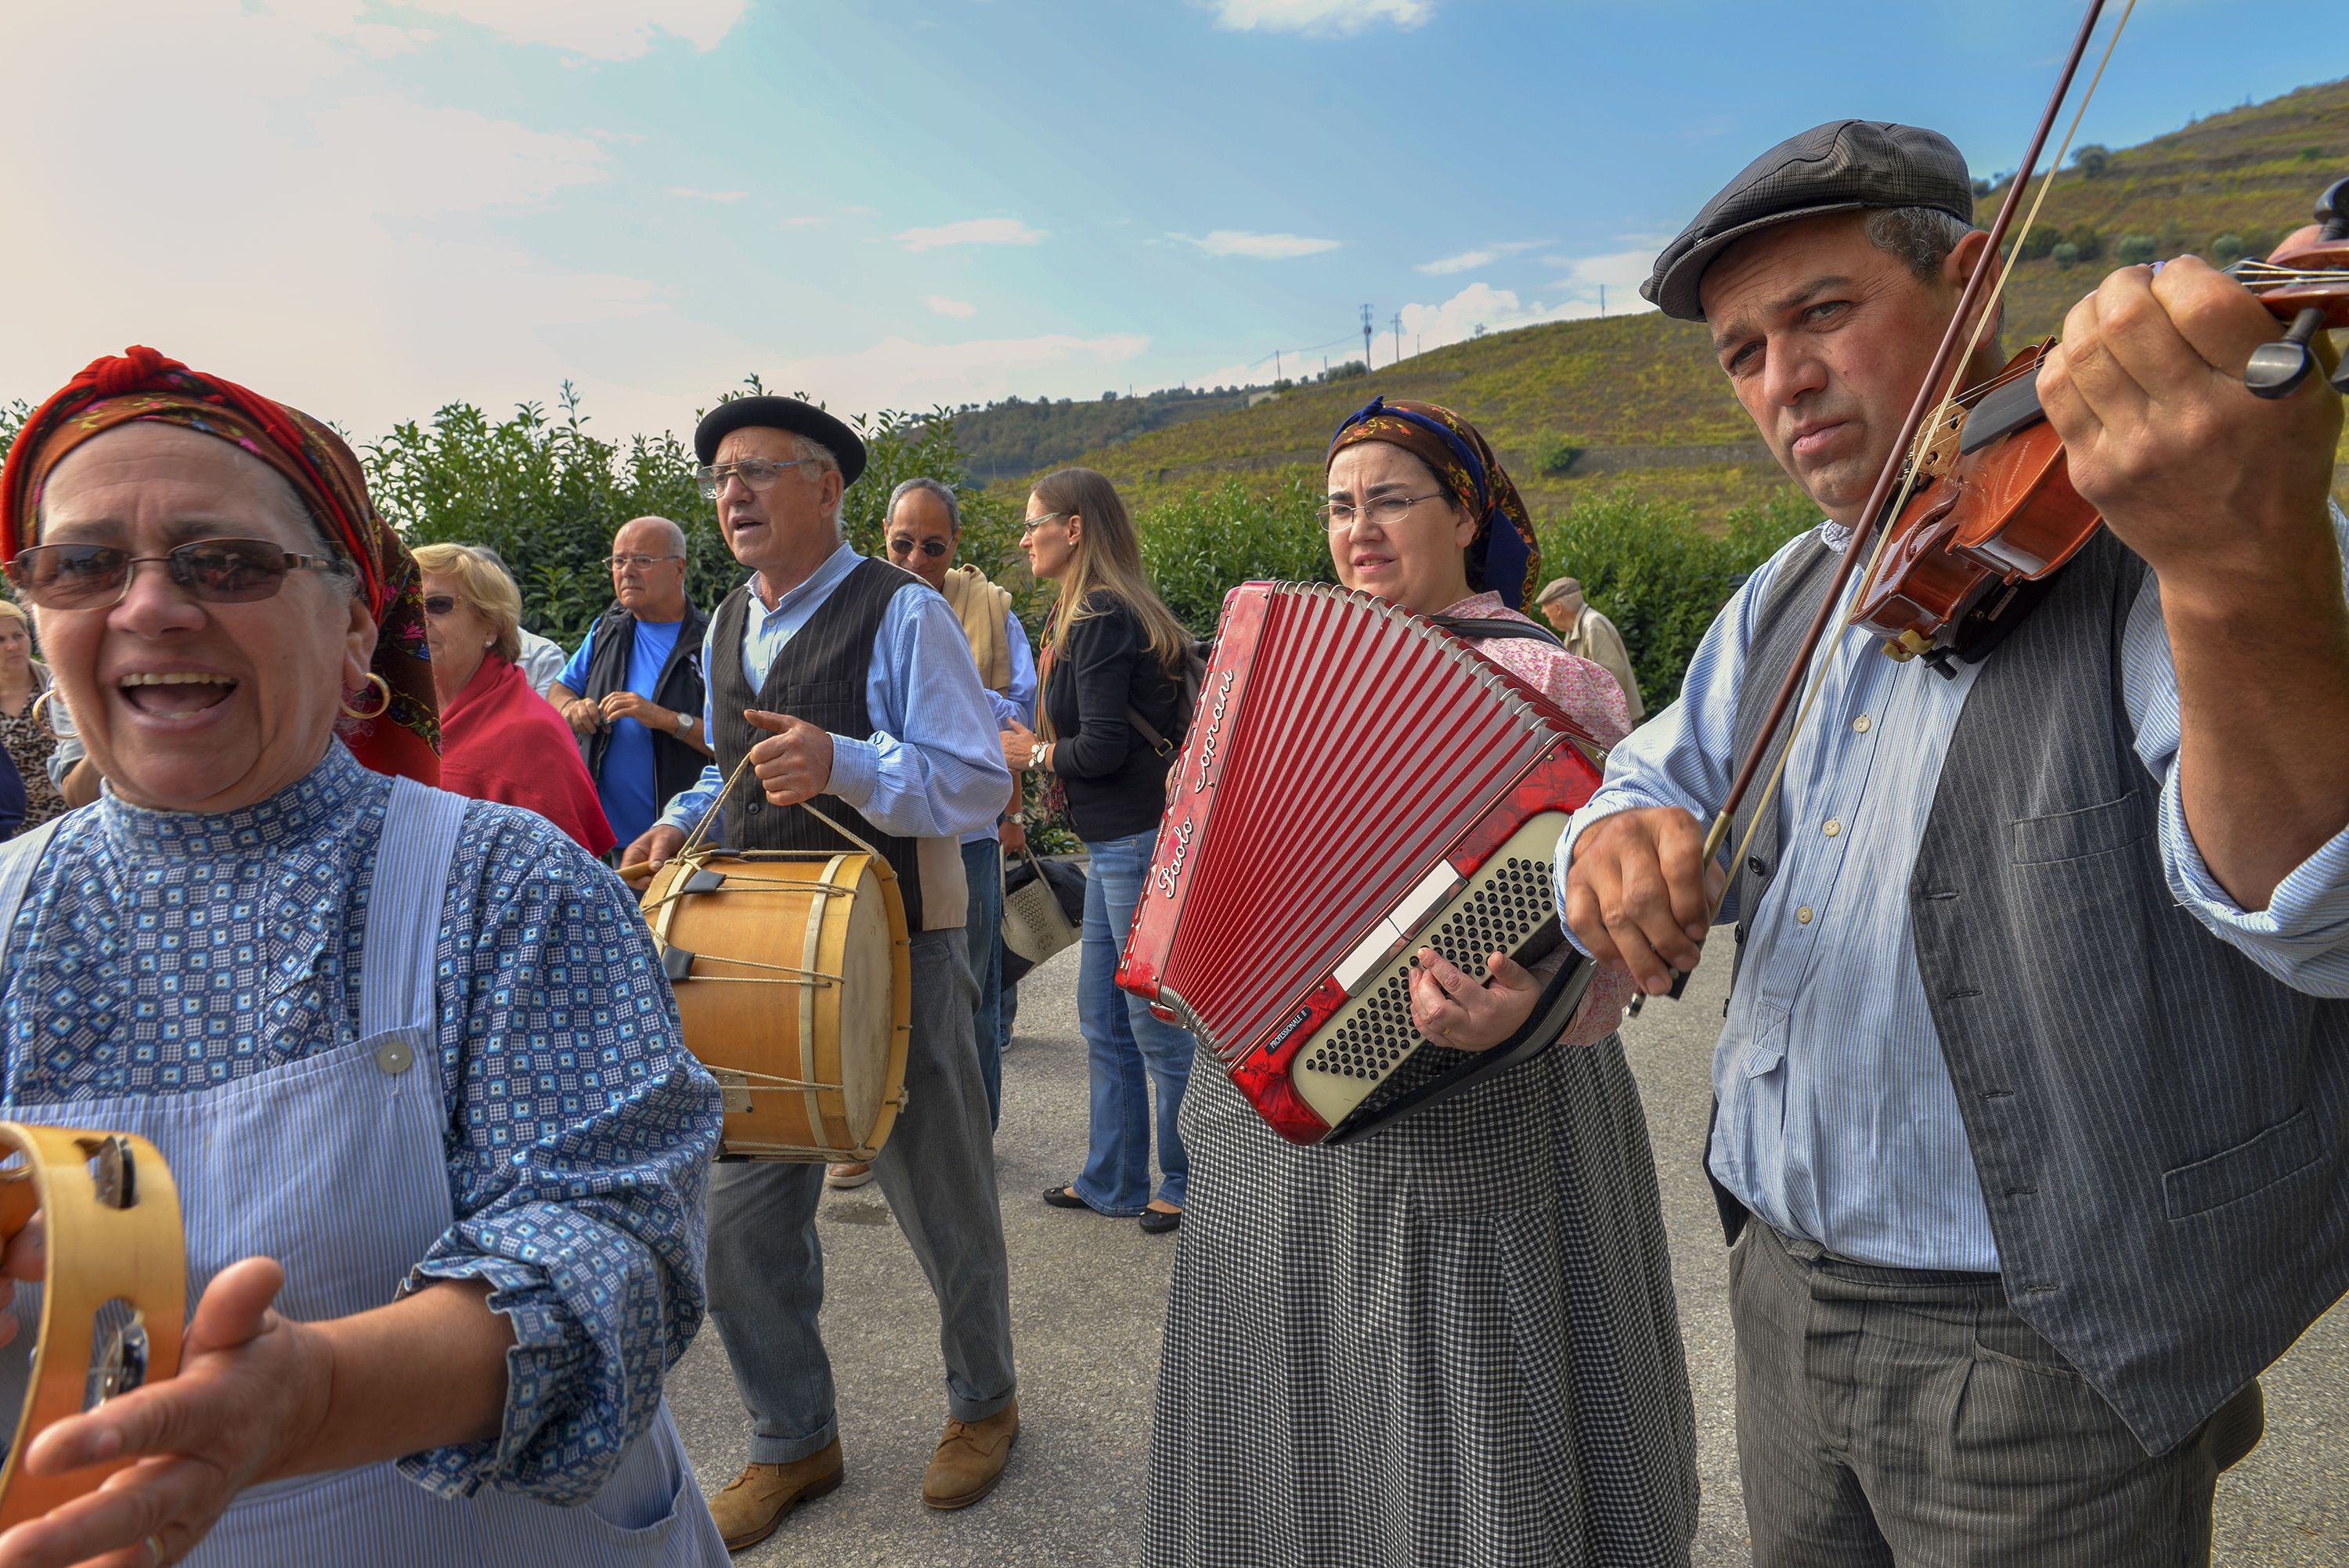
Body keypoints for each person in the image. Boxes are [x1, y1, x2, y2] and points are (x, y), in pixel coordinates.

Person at [1564, 120, 2349, 1566]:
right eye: (1743, 351)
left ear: (1976, 286)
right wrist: (1612, 837)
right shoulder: (1788, 593)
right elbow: (1639, 777)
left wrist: (2236, 565)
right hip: (1780, 1292)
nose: (1784, 380)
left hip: (2047, 1343)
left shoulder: (2171, 530)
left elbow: (2320, 921)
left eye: (1823, 313)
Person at [0, 344, 727, 1566]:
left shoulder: (505, 883)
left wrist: (313, 1394)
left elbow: (617, 1244)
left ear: (352, 628)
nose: (148, 604)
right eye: (84, 564)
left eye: (224, 560)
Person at [1148, 398, 1691, 1567]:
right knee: (1282, 1402)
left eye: (1391, 499)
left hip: (1479, 1105)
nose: (1361, 530)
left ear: (1466, 514)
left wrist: (1534, 1007)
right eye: (1341, 507)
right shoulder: (1273, 670)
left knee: (1462, 1416)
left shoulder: (1552, 679)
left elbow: (1607, 909)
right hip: (1273, 1113)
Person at [622, 395, 1019, 1547]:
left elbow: (977, 783)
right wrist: (682, 817)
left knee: (943, 1204)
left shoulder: (904, 614)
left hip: (902, 947)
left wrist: (843, 759)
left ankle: (985, 1403)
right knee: (739, 1227)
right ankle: (794, 1436)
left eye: (756, 470)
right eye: (720, 476)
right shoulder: (728, 620)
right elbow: (732, 771)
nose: (731, 493)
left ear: (827, 488)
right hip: (754, 949)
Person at [999, 469, 1195, 1235]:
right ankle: (1112, 1175)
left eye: (1034, 522)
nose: (1024, 537)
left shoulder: (1102, 614)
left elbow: (1106, 747)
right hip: (1116, 842)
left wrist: (1034, 754)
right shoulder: (1086, 612)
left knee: (1147, 1020)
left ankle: (1185, 1177)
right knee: (1102, 1014)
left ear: (1073, 527)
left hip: (1136, 842)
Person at [882, 475, 1036, 1137]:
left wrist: (1009, 816)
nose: (916, 561)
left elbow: (1017, 723)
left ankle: (976, 1135)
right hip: (890, 829)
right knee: (886, 992)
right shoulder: (871, 609)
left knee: (969, 992)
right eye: (902, 545)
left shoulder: (994, 613)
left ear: (956, 544)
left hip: (970, 835)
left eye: (933, 546)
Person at [414, 542, 615, 857]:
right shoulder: (399, 715)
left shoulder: (533, 734)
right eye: (409, 605)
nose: (418, 618)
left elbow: (564, 877)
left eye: (437, 605)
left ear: (491, 626)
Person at [548, 517, 713, 852]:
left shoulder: (710, 642)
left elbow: (734, 746)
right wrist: (571, 708)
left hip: (677, 848)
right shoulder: (606, 628)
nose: (627, 571)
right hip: (597, 845)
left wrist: (662, 718)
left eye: (642, 560)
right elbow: (559, 690)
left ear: (679, 569)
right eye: (618, 561)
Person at [1535, 573, 1644, 723]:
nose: (1543, 612)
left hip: (1618, 723)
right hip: (1610, 723)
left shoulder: (1593, 625)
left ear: (1559, 608)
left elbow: (1614, 678)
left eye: (1546, 609)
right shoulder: (1574, 629)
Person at [0, 600, 55, 833]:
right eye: (0, 640)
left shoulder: (58, 686)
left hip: (71, 818)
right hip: (12, 834)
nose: (13, 646)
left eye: (18, 635)